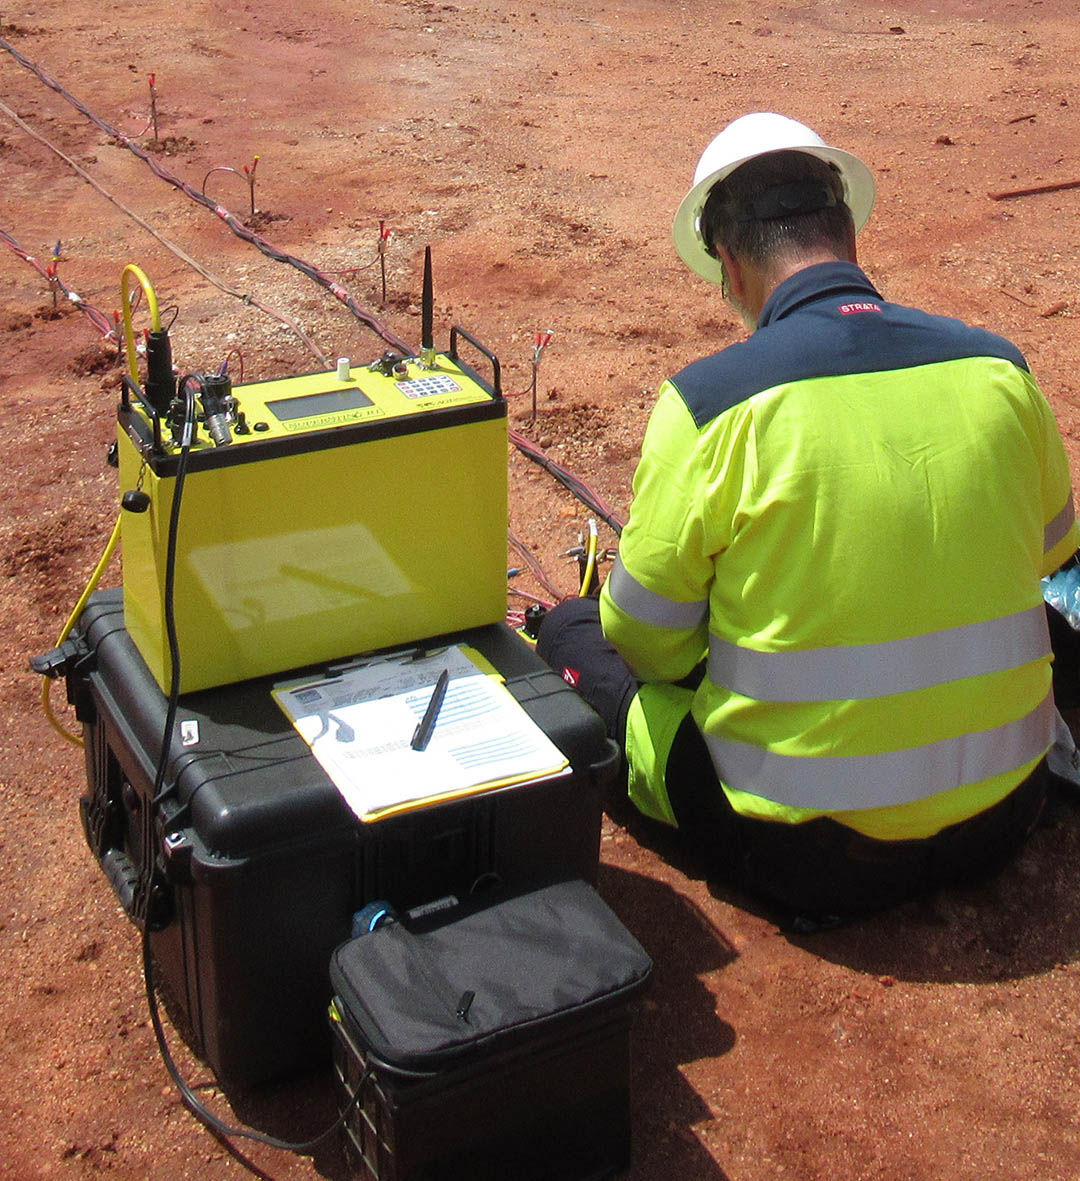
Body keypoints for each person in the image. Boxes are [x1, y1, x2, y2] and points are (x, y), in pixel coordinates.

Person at [538, 111, 1080, 920]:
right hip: (1006, 813)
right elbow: (1052, 552)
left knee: (576, 638)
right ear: (849, 233)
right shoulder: (998, 368)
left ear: (729, 262)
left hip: (808, 855)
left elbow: (644, 641)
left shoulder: (709, 405)